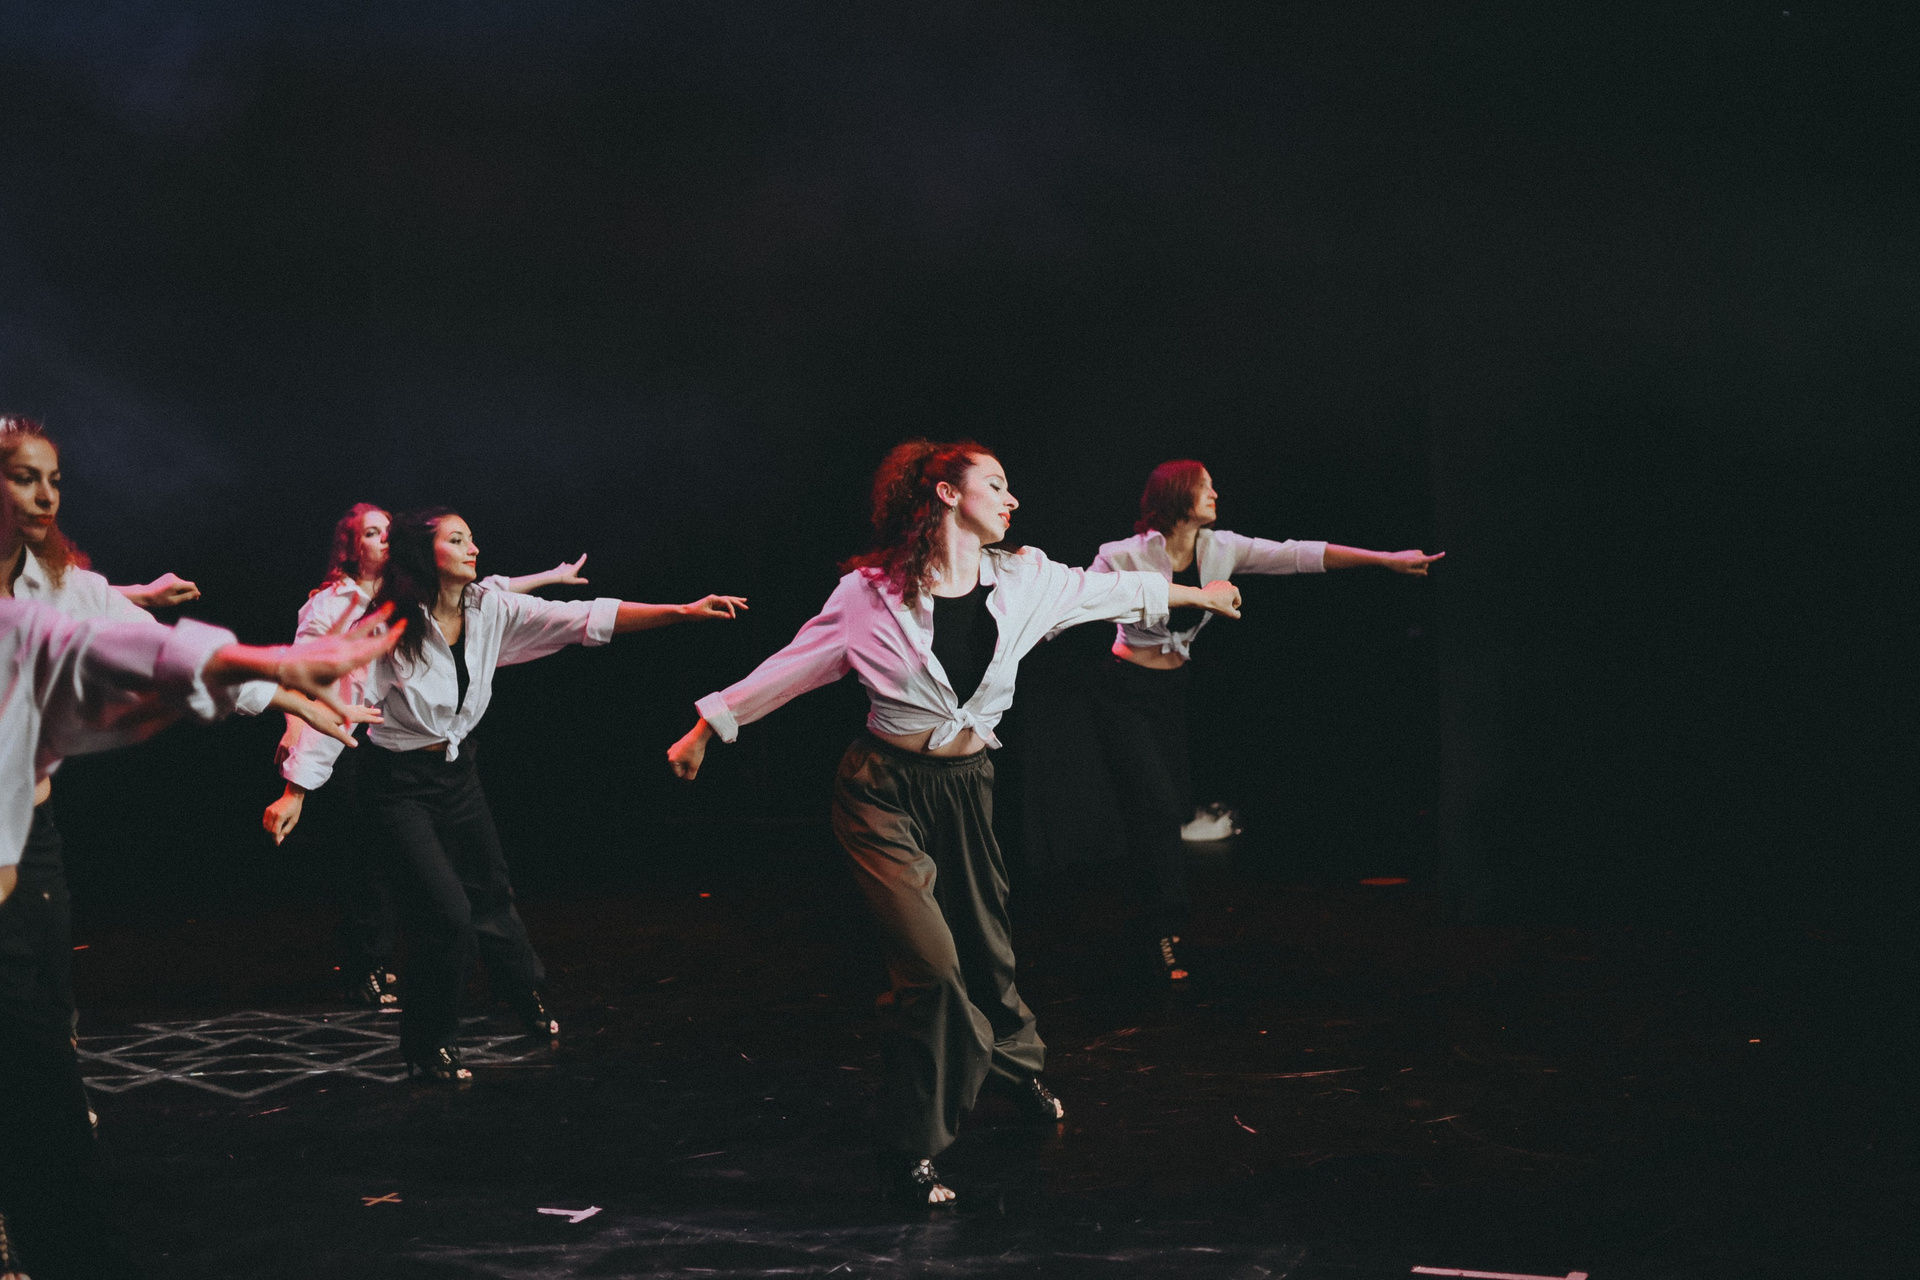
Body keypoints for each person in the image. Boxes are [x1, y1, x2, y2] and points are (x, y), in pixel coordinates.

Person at [666, 440, 1244, 1207]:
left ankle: (1015, 1071)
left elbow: (1110, 592)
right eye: (994, 484)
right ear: (944, 493)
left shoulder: (1026, 579)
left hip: (967, 787)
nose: (1011, 500)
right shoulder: (868, 594)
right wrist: (709, 726)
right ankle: (910, 1144)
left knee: (988, 952)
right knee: (933, 975)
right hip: (881, 794)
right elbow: (796, 663)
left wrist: (1200, 596)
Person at [0, 596, 401, 1280]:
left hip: (27, 856)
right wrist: (276, 668)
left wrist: (278, 679)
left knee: (41, 1068)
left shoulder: (41, 593)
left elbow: (134, 646)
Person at [274, 506, 745, 1084]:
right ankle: (427, 1042)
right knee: (446, 915)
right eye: (457, 540)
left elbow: (584, 617)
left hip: (457, 773)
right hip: (397, 784)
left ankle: (521, 992)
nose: (473, 548)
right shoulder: (387, 625)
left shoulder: (488, 607)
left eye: (471, 538)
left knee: (491, 892)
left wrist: (681, 611)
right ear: (426, 555)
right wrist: (296, 791)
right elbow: (335, 700)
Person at [1088, 459, 1443, 980]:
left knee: (1173, 807)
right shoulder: (1120, 555)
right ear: (1178, 494)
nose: (1215, 493)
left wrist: (1384, 559)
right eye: (1205, 486)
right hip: (1123, 691)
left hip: (1171, 690)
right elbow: (1075, 601)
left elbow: (1299, 555)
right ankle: (1161, 931)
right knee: (1156, 809)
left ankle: (1146, 925)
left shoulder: (1221, 548)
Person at [260, 501, 595, 1008]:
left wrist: (551, 576)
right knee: (370, 861)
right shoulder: (330, 606)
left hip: (397, 738)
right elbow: (304, 673)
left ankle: (501, 981)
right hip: (345, 732)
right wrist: (296, 743)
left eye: (389, 531)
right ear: (351, 548)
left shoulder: (416, 594)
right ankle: (369, 964)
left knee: (460, 877)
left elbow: (494, 590)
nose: (385, 539)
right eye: (372, 533)